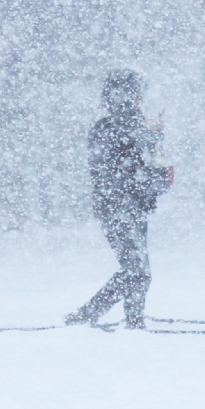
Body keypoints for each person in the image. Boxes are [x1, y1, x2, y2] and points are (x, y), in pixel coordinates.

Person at [67, 70, 173, 330]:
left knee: (140, 274)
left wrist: (160, 173)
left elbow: (145, 168)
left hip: (134, 208)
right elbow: (119, 174)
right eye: (135, 95)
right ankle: (89, 313)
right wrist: (149, 142)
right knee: (136, 272)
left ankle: (133, 322)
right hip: (116, 210)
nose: (139, 100)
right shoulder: (107, 128)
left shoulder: (135, 126)